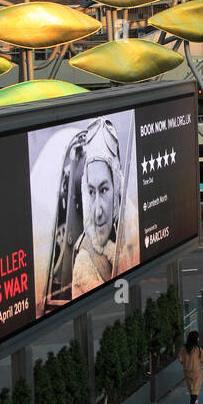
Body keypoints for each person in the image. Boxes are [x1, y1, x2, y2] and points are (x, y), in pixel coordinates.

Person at [70, 118, 130, 298]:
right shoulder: (83, 259)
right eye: (91, 192)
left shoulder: (130, 236)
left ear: (116, 188)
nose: (97, 212)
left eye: (104, 190)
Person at [178, 331, 203, 404]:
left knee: (191, 388)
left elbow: (180, 359)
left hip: (187, 370)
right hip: (196, 370)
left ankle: (194, 401)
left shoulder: (183, 348)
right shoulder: (198, 349)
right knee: (195, 388)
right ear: (196, 339)